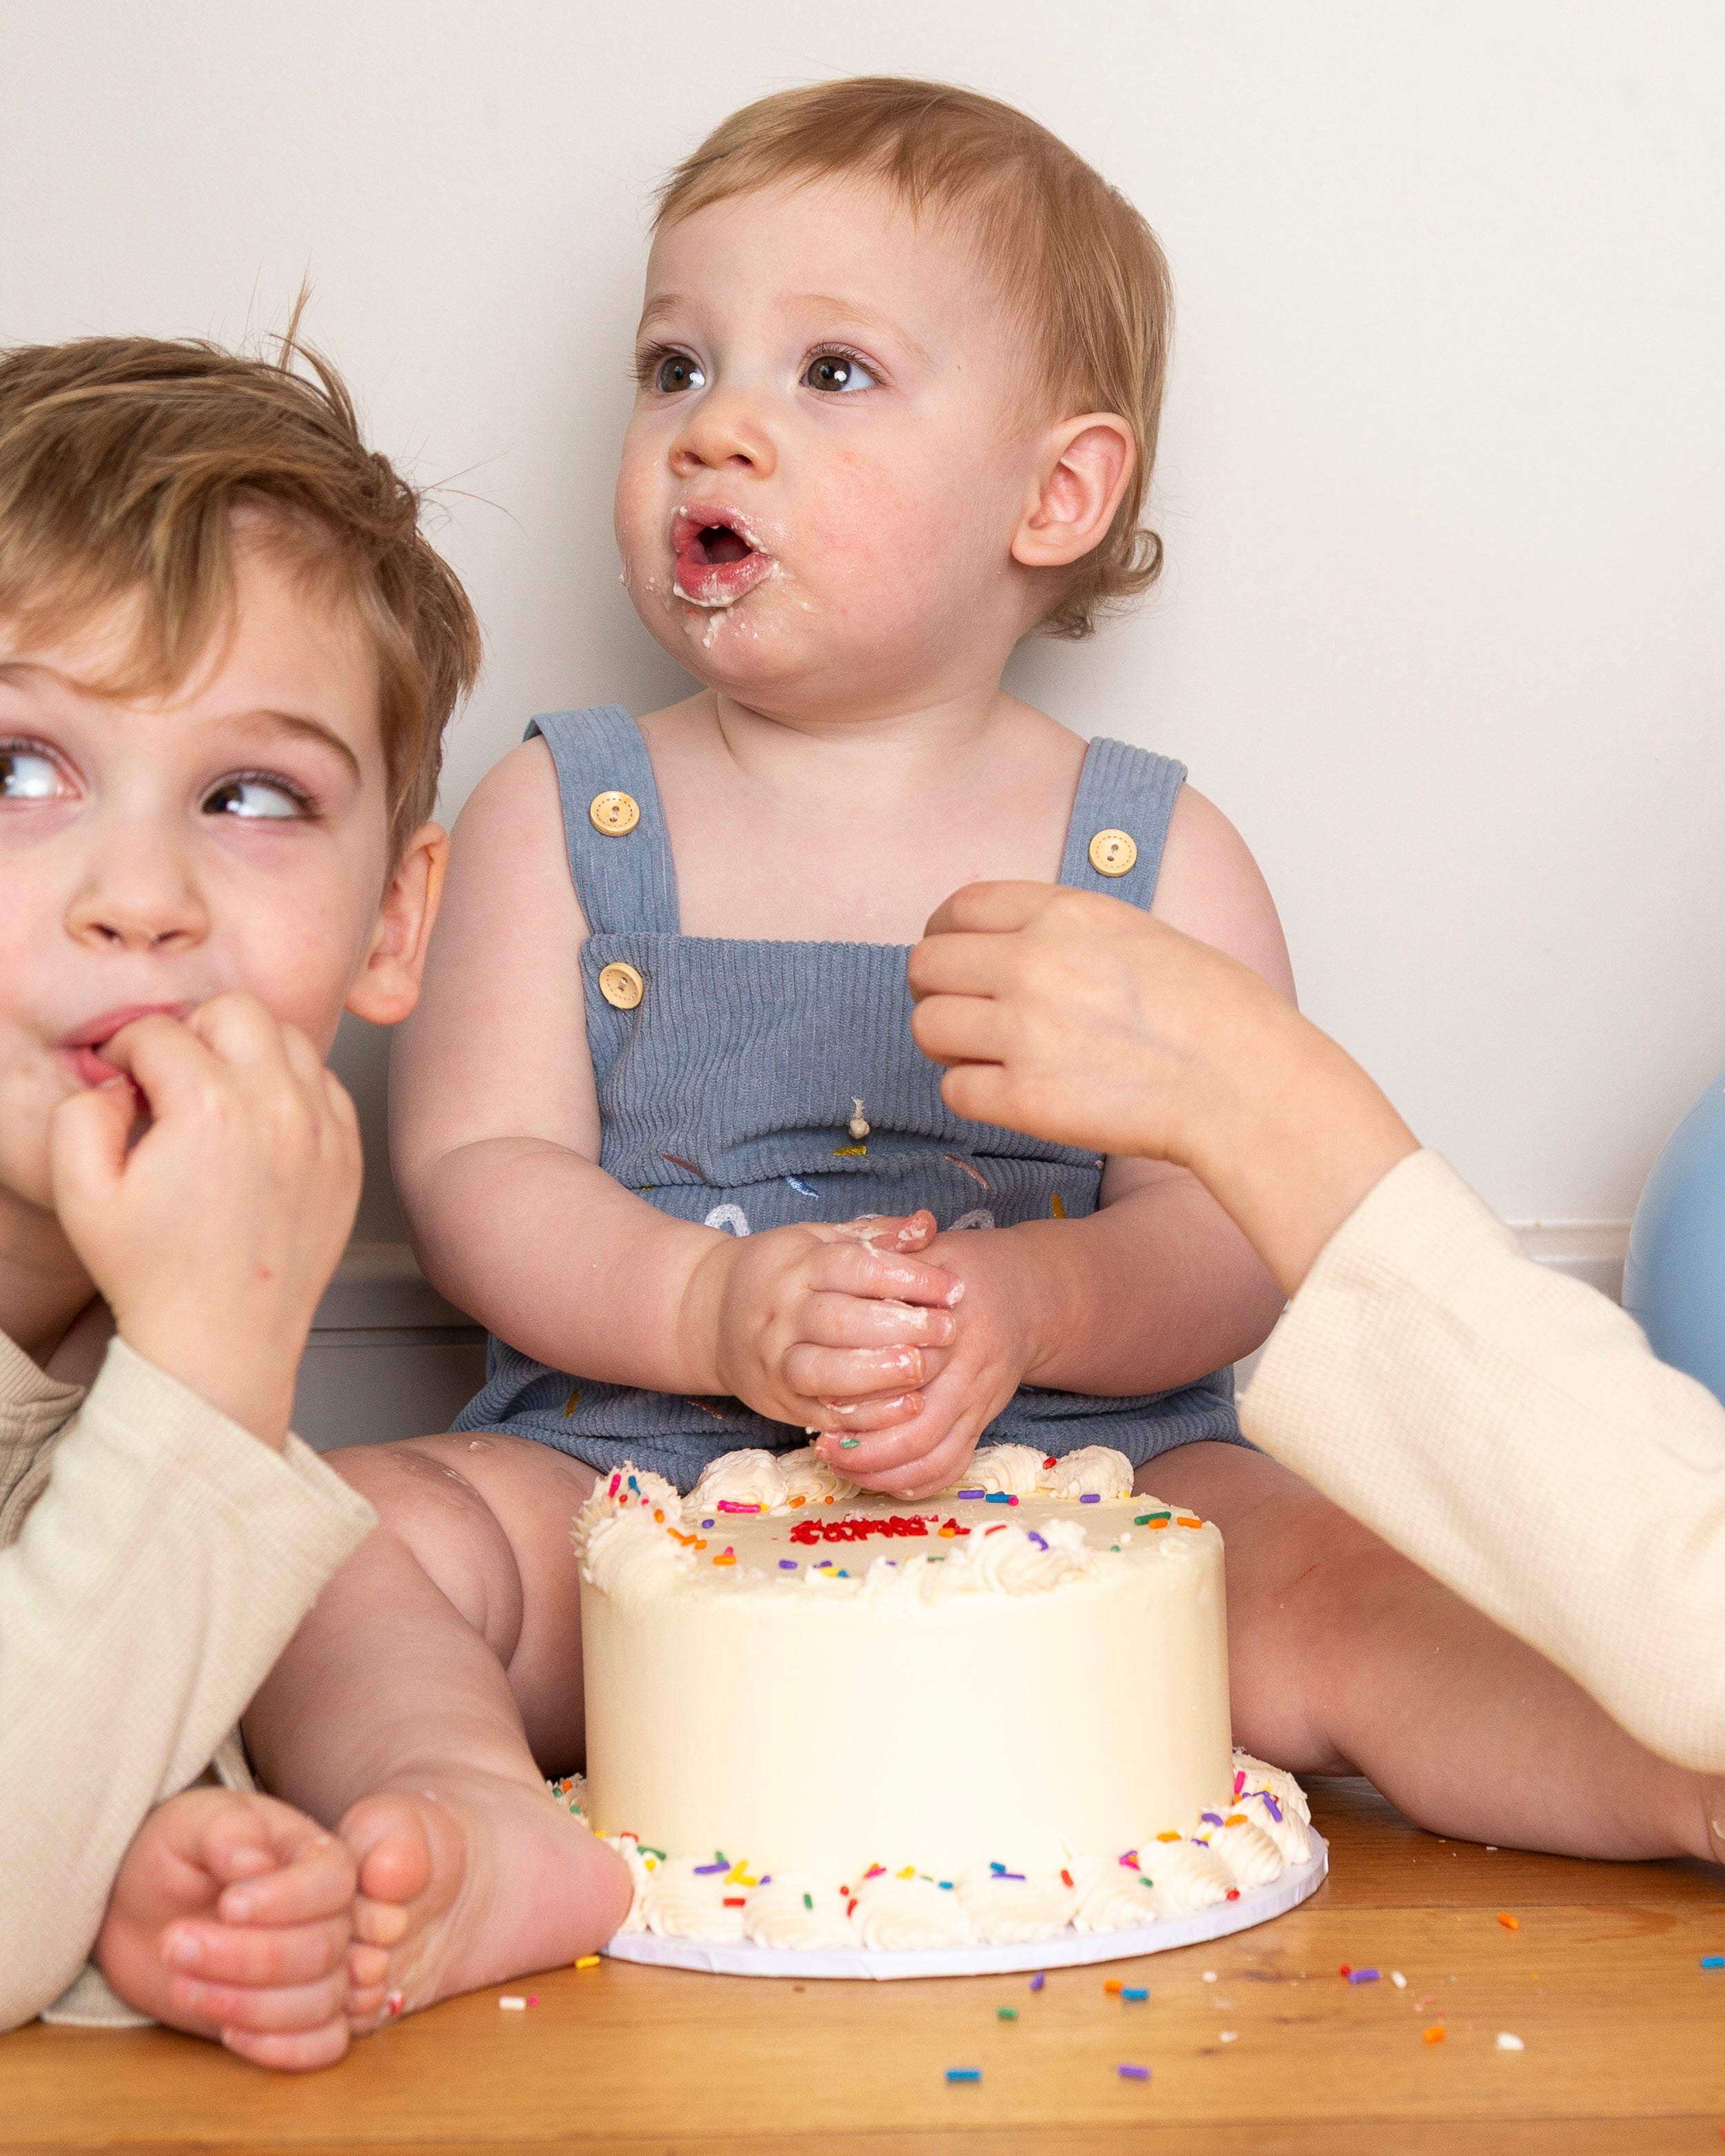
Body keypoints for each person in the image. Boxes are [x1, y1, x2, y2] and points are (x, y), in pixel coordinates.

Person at [241, 77, 1720, 2033]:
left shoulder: (1146, 847)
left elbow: (1229, 1229)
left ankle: (1664, 1766)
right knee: (331, 1533)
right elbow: (477, 1176)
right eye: (674, 361)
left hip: (1091, 1479)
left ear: (1054, 493)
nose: (720, 419)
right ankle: (463, 1811)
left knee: (1333, 1579)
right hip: (628, 1474)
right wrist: (713, 1306)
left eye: (830, 368)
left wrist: (1022, 1304)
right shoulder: (560, 814)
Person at [0, 330, 484, 2066]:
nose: (138, 896)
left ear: (393, 923)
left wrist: (145, 1879)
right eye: (18, 771)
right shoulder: (197, 1352)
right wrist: (211, 1367)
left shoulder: (138, 1333)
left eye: (253, 795)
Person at [908, 879, 1725, 1801]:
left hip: (1115, 1458)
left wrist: (1251, 1106)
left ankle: (1687, 1792)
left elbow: (1689, 1610)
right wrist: (732, 1313)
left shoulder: (1148, 849)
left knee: (1349, 1600)